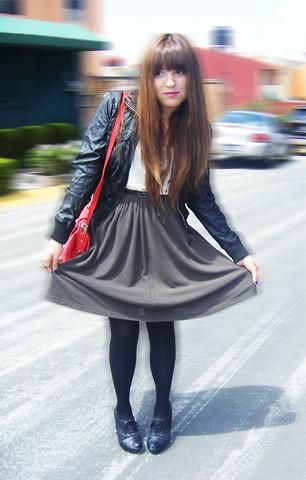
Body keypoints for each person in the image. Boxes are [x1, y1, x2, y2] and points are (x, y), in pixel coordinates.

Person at [41, 33, 261, 455]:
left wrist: (239, 252)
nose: (170, 80)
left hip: (165, 231)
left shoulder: (196, 129)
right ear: (149, 75)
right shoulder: (119, 107)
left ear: (191, 78)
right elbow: (87, 170)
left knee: (162, 326)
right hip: (118, 226)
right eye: (161, 71)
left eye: (179, 70)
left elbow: (201, 199)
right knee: (122, 329)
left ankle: (162, 410)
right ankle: (123, 411)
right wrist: (58, 235)